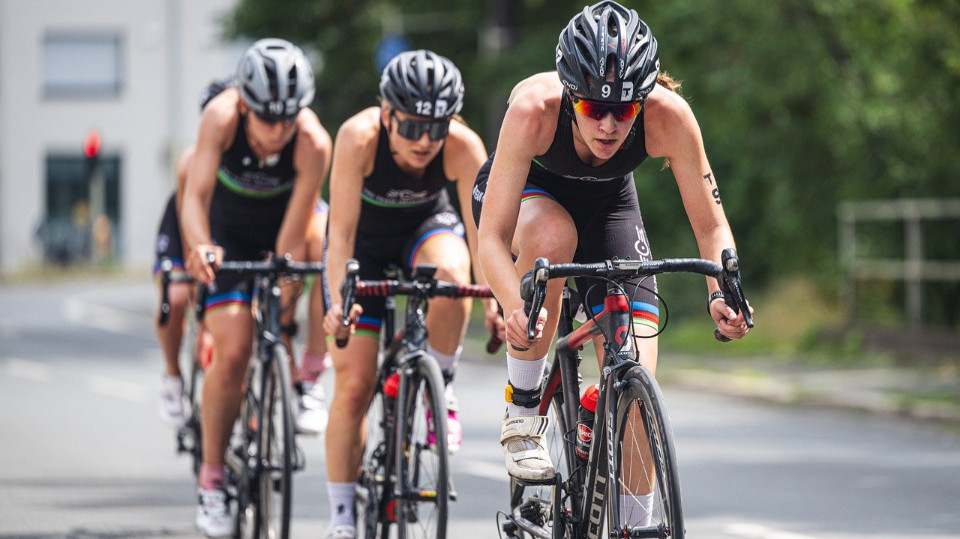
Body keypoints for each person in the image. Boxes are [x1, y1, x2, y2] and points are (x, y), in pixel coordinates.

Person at [473, 0, 753, 526]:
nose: (607, 124)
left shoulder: (669, 116)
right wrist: (513, 303)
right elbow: (490, 236)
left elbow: (712, 227)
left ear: (643, 99)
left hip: (609, 208)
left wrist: (721, 291)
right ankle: (523, 412)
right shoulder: (533, 108)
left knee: (637, 373)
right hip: (529, 201)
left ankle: (635, 524)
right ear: (569, 94)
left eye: (624, 110)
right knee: (554, 235)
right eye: (592, 108)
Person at [322, 49, 498, 539]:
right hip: (364, 245)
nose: (425, 141)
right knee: (354, 384)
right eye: (412, 127)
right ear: (386, 115)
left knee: (451, 271)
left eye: (436, 127)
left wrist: (492, 301)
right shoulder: (358, 139)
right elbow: (339, 238)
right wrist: (340, 302)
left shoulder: (462, 146)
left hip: (427, 228)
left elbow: (483, 237)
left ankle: (439, 385)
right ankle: (340, 517)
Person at [180, 38, 333, 537]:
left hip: (280, 230)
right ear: (244, 104)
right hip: (224, 236)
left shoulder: (312, 141)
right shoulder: (221, 119)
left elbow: (297, 228)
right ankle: (212, 479)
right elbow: (194, 198)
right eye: (267, 117)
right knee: (235, 348)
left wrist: (283, 287)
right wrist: (201, 246)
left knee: (324, 239)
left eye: (288, 117)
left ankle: (308, 373)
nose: (277, 130)